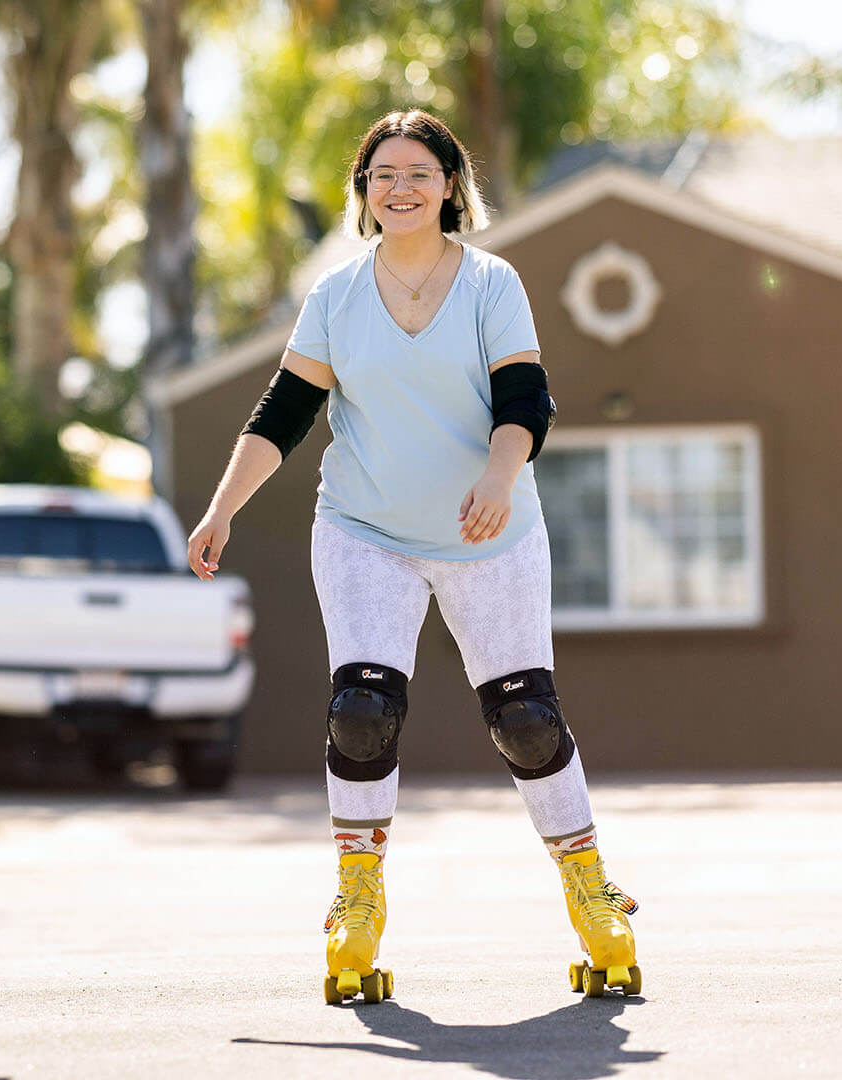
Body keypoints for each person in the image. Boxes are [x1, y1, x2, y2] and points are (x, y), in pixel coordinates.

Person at [185, 109, 641, 1004]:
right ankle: (357, 896)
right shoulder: (337, 295)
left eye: (419, 172)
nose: (400, 186)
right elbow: (282, 415)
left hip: (490, 533)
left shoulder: (490, 283)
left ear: (449, 186)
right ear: (364, 192)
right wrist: (219, 511)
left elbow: (525, 399)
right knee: (363, 707)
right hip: (366, 530)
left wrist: (500, 478)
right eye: (382, 173)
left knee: (526, 721)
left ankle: (592, 893)